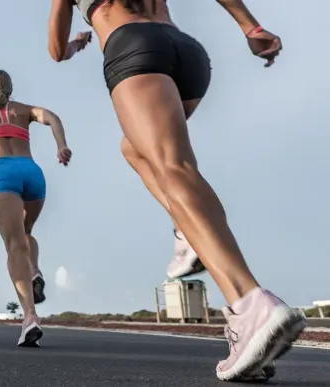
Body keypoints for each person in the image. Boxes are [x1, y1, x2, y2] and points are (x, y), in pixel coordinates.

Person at [47, 0, 303, 382]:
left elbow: (55, 50)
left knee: (172, 167)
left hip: (131, 46)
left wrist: (74, 44)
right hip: (185, 51)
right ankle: (187, 232)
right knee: (138, 150)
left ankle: (249, 301)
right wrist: (251, 28)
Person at [0, 70, 73, 347]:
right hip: (32, 172)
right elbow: (53, 118)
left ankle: (29, 317)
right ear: (10, 89)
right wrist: (62, 146)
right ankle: (34, 269)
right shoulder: (24, 110)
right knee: (25, 232)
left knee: (13, 246)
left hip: (3, 174)